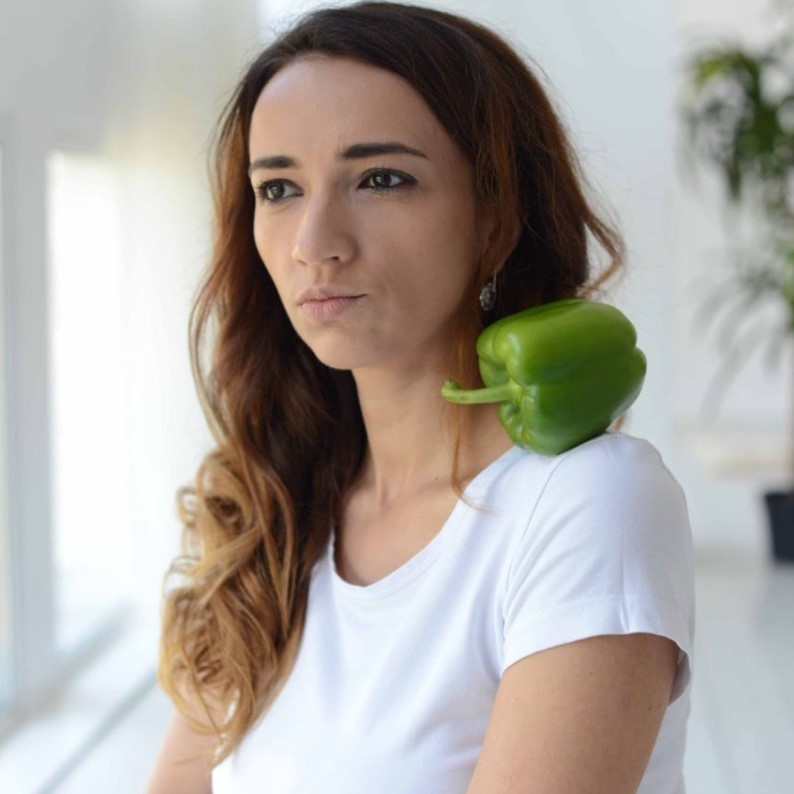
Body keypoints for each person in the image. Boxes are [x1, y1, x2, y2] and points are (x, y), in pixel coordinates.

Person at [145, 3, 695, 793]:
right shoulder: (275, 510)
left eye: (380, 179)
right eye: (279, 188)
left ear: (495, 215)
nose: (314, 244)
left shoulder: (586, 503)